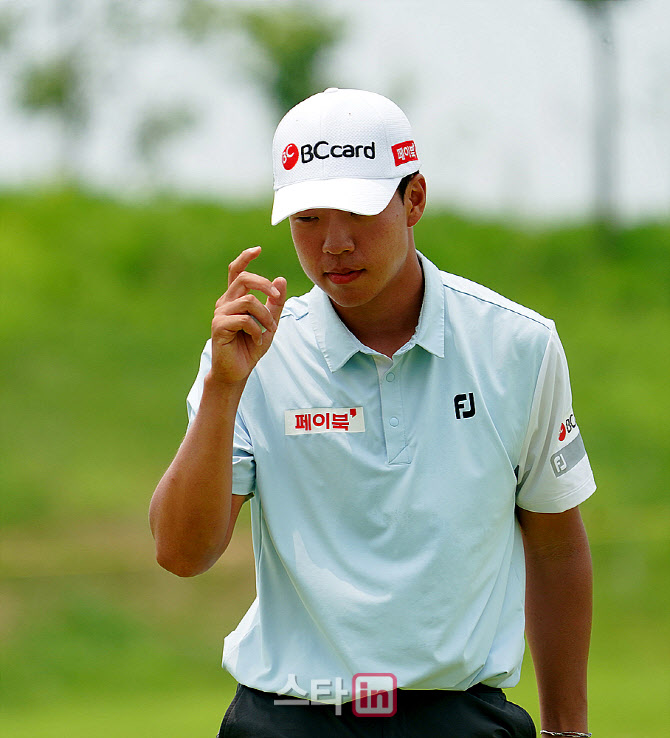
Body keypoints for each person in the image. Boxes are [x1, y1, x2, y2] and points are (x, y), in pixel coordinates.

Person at [149, 88, 595, 738]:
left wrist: (567, 731)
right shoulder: (251, 354)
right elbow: (181, 554)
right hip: (287, 719)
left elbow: (555, 548)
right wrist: (223, 388)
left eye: (358, 211)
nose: (333, 243)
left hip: (458, 719)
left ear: (414, 198)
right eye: (306, 217)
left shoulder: (517, 345)